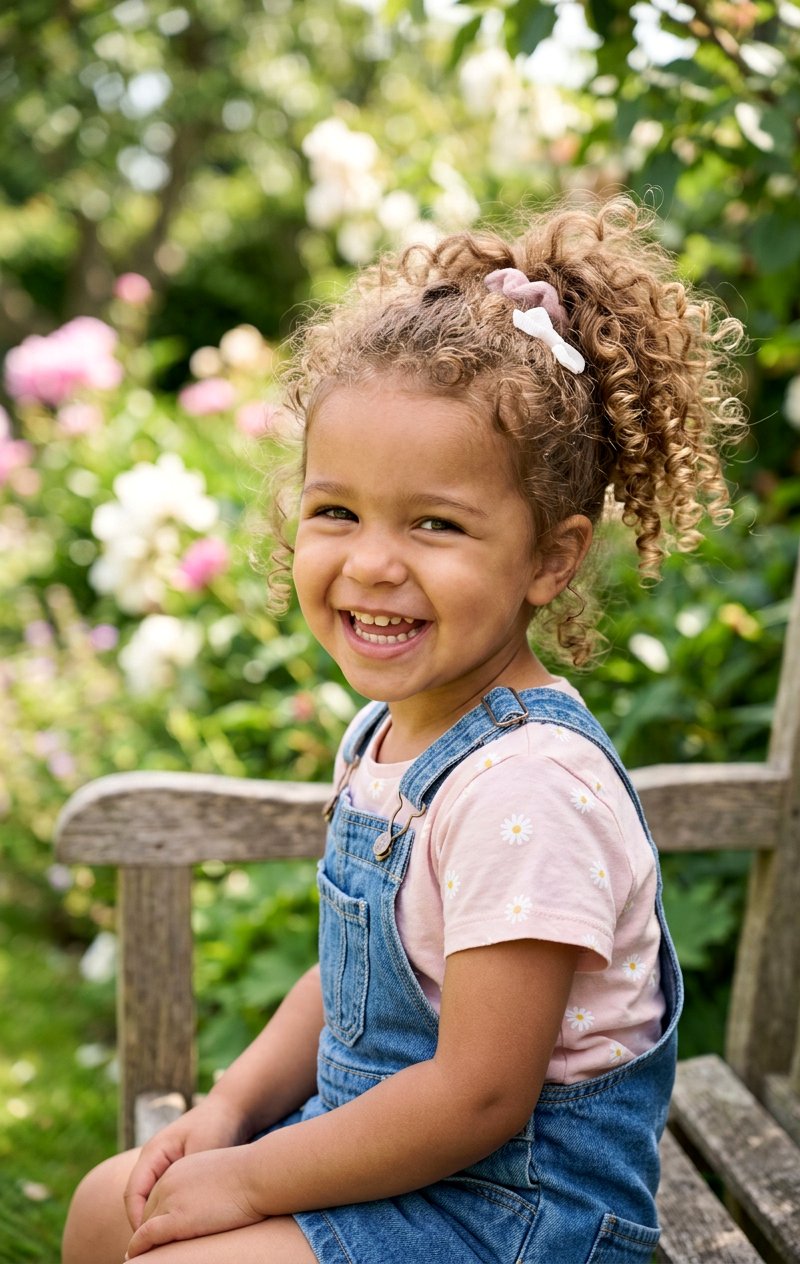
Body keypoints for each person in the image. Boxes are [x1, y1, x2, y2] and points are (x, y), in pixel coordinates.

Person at [63, 195, 744, 1264]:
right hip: (389, 1170)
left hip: (510, 1216)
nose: (373, 562)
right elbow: (355, 975)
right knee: (112, 1208)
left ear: (549, 560)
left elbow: (477, 1095)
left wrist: (244, 1178)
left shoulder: (524, 790)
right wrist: (230, 1107)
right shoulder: (390, 736)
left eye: (434, 523)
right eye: (337, 511)